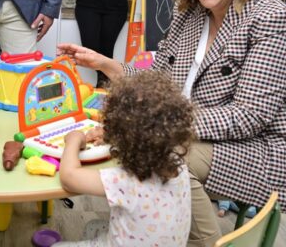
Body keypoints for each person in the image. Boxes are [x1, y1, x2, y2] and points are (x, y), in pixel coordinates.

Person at [58, 0, 286, 247]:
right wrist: (106, 64)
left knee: (166, 153)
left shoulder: (270, 18)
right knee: (150, 146)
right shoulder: (190, 14)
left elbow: (249, 117)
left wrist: (155, 127)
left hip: (266, 150)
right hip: (205, 137)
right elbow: (156, 79)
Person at [56, 72, 194, 246]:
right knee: (93, 226)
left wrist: (73, 140)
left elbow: (68, 177)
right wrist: (115, 135)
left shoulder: (124, 181)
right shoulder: (180, 167)